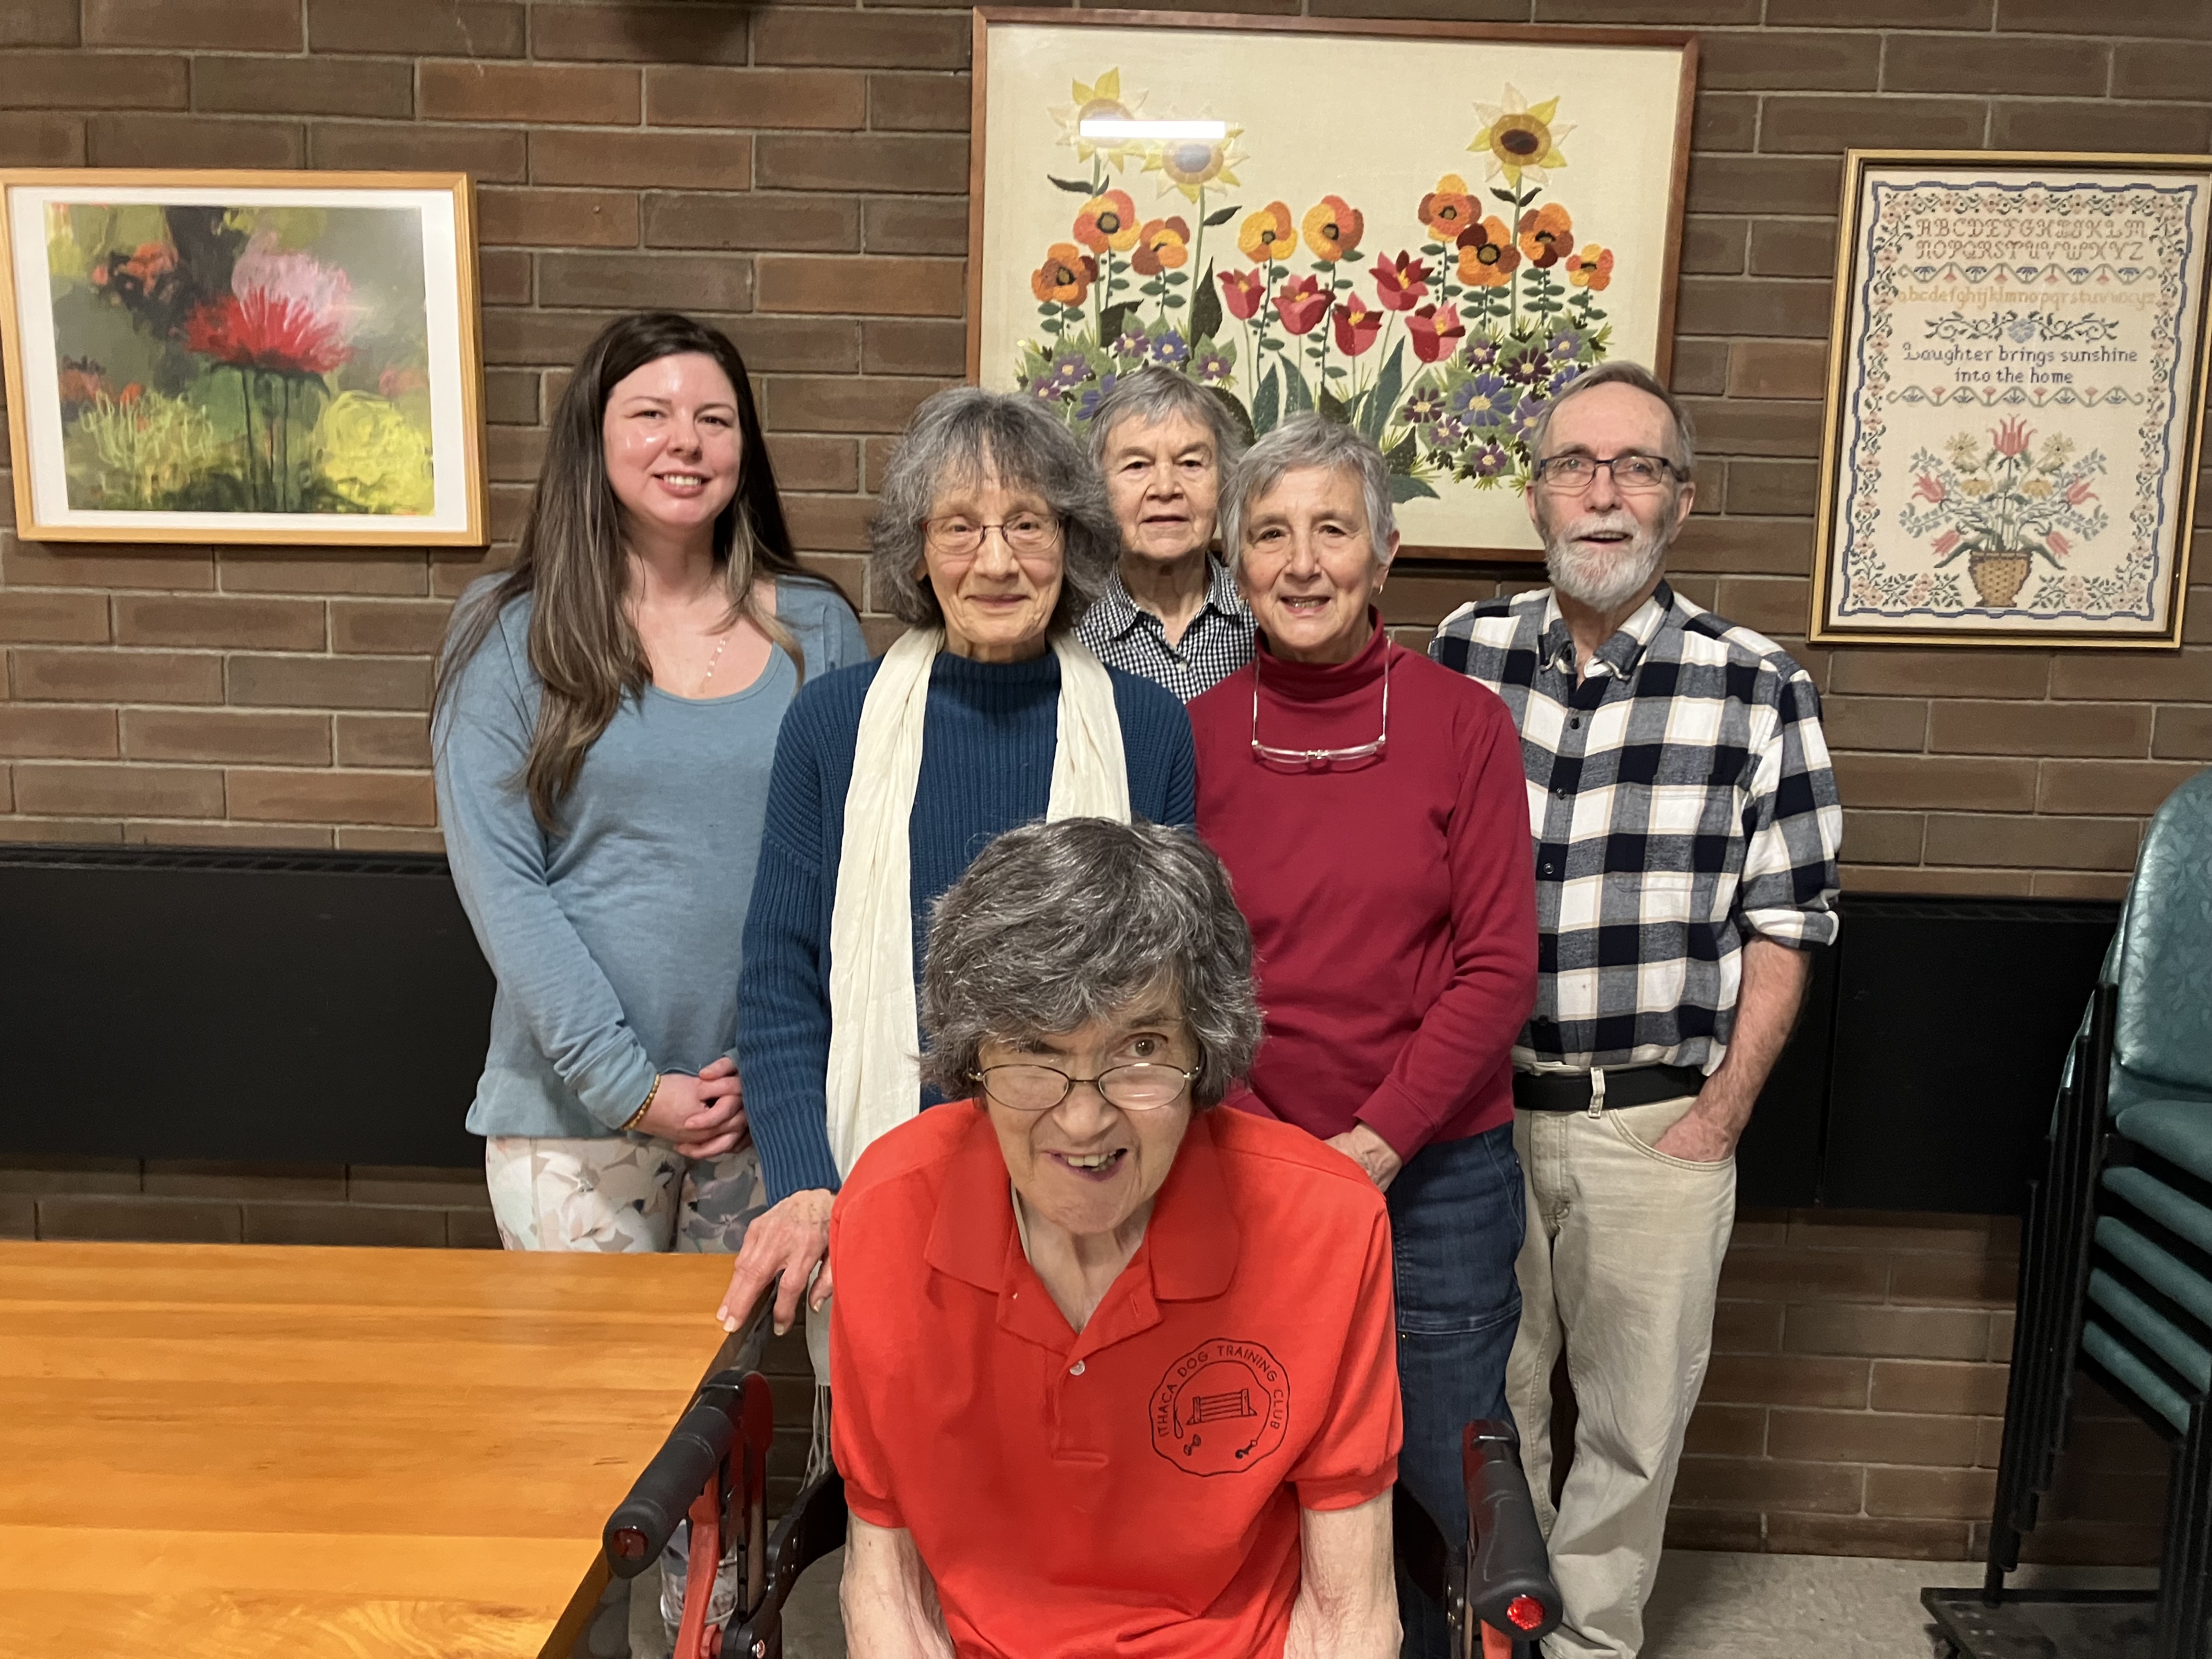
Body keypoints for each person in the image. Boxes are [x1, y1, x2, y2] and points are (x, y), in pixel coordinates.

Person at [432, 310, 865, 1634]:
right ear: (595, 437)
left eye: (714, 418)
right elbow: (503, 882)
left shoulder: (821, 629)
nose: (685, 442)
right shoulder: (511, 630)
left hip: (772, 1116)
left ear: (748, 446)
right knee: (601, 1454)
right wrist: (633, 1087)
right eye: (652, 415)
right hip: (579, 1127)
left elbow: (857, 869)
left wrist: (786, 1080)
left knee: (736, 1445)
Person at [1429, 361, 1843, 1659]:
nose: (1603, 494)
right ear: (1535, 492)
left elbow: (1788, 923)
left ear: (1683, 499)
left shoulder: (1759, 684)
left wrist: (1719, 1118)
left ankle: (1591, 1643)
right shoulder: (1459, 655)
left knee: (1632, 1423)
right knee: (1487, 1412)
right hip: (1475, 1120)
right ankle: (1502, 1630)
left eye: (1638, 468)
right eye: (1575, 465)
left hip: (1657, 1122)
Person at [832, 817, 1401, 1659]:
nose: (1084, 1116)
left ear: (1203, 1050)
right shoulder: (884, 1210)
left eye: (1140, 1048)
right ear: (972, 1058)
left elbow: (1349, 1613)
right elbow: (884, 1591)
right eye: (1033, 1050)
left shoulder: (1327, 1223)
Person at [716, 387, 1197, 1347]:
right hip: (883, 1180)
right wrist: (810, 1180)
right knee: (902, 1477)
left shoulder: (1148, 728)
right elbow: (779, 980)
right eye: (960, 526)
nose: (995, 559)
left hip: (1091, 1171)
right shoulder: (833, 724)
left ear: (1072, 540)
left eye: (1027, 523)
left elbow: (1175, 991)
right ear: (916, 548)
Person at [1187, 413, 1538, 1659]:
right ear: (1236, 567)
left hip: (1435, 1178)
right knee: (1254, 1472)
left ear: (1383, 556)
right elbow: (1181, 976)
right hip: (1245, 1174)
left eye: (1331, 530)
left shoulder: (1464, 726)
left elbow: (1499, 971)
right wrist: (1270, 1153)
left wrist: (1376, 1146)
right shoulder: (1196, 739)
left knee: (1442, 1487)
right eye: (1270, 534)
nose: (1301, 562)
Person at [1076, 368, 1255, 700]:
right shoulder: (1069, 634)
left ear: (1225, 483)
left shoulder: (1264, 613)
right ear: (1097, 489)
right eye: (1137, 466)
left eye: (1190, 463)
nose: (1165, 489)